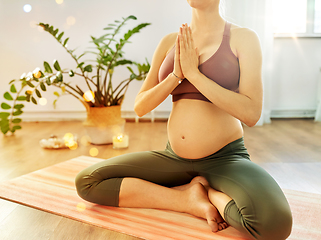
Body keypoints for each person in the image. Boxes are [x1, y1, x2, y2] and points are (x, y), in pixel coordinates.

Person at [75, 0, 293, 239]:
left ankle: (210, 193)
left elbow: (251, 113)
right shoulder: (170, 42)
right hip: (173, 158)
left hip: (225, 159)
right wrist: (176, 76)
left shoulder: (243, 38)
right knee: (87, 182)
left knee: (275, 225)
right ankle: (187, 200)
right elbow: (140, 106)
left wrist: (194, 75)